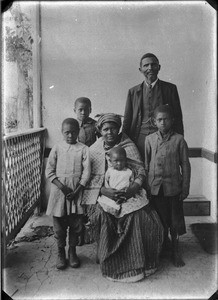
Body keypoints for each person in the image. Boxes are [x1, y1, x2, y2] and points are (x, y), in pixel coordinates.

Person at [82, 113, 164, 282]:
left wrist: (132, 189)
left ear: (118, 128)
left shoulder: (128, 146)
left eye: (113, 128)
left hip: (131, 192)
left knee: (137, 216)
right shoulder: (94, 150)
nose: (109, 132)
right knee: (102, 215)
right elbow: (89, 179)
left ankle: (138, 261)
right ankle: (109, 258)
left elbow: (141, 171)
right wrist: (104, 191)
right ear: (100, 131)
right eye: (105, 129)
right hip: (104, 194)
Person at [144, 105, 191, 267]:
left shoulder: (179, 140)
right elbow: (146, 164)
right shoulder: (149, 140)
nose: (163, 122)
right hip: (155, 189)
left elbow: (185, 165)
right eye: (159, 120)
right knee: (159, 221)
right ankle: (162, 248)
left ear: (172, 121)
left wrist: (185, 188)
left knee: (174, 222)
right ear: (154, 122)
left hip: (173, 189)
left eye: (166, 119)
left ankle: (176, 251)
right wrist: (146, 188)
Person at [46, 118, 91, 270]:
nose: (70, 135)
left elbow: (87, 172)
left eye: (73, 132)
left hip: (76, 192)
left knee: (76, 224)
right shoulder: (57, 148)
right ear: (62, 132)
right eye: (67, 132)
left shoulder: (84, 149)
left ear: (78, 132)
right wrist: (63, 188)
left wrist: (77, 190)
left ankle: (72, 252)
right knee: (59, 226)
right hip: (60, 192)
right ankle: (60, 252)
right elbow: (49, 171)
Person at [122, 53, 184, 159]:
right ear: (140, 69)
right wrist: (124, 143)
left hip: (164, 139)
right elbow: (127, 120)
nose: (150, 68)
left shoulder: (170, 89)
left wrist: (179, 143)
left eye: (153, 64)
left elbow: (177, 118)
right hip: (139, 140)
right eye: (146, 65)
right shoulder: (133, 92)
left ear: (159, 67)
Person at [97, 146, 148, 235]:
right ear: (110, 161)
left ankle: (120, 222)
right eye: (116, 161)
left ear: (126, 160)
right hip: (112, 195)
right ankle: (113, 224)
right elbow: (106, 182)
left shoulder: (129, 171)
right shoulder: (109, 171)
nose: (119, 164)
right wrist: (110, 192)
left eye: (122, 160)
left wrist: (127, 191)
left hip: (126, 195)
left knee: (131, 209)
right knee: (106, 208)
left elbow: (132, 183)